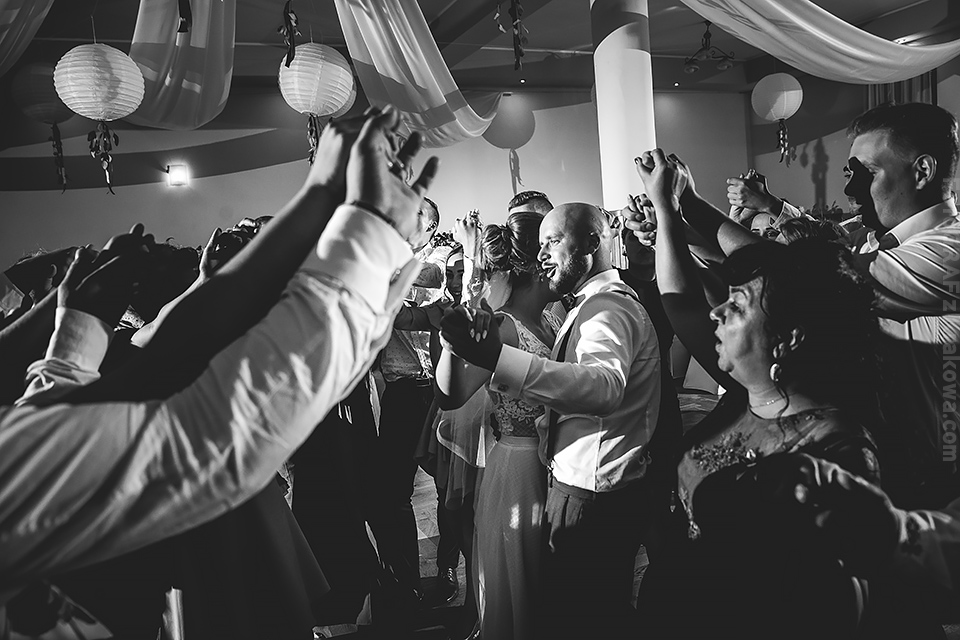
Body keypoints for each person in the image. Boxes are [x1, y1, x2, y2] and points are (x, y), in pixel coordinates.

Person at [0, 105, 440, 598]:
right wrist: (343, 212)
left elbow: (67, 378)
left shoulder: (40, 414)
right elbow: (208, 418)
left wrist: (77, 316)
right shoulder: (26, 472)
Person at [648, 103, 960, 510]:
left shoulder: (950, 249)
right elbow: (761, 272)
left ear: (922, 171)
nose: (852, 190)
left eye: (868, 173)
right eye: (850, 173)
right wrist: (674, 230)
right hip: (882, 456)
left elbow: (789, 271)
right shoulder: (869, 237)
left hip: (925, 473)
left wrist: (685, 204)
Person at [629, 149, 884, 639]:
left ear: (788, 337)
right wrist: (670, 212)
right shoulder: (747, 392)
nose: (716, 313)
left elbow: (832, 607)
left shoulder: (835, 448)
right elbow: (683, 303)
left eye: (738, 305)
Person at [441, 202, 662, 638]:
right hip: (529, 473)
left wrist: (501, 360)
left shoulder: (602, 309)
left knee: (573, 608)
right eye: (541, 245)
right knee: (540, 597)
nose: (545, 256)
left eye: (554, 242)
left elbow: (603, 386)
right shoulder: (573, 310)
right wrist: (459, 344)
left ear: (593, 243)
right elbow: (452, 395)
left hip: (583, 485)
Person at [436, 211, 560, 640]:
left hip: (553, 467)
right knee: (518, 589)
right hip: (519, 472)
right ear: (538, 266)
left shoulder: (552, 320)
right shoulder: (504, 327)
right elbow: (452, 395)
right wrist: (452, 344)